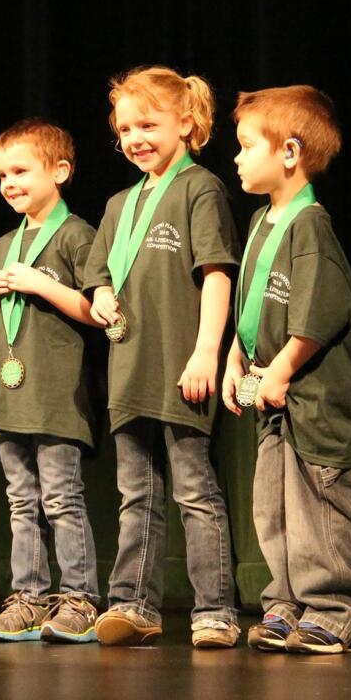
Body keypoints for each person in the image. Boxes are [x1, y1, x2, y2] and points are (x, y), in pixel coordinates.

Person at [84, 65, 242, 648]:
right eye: (125, 128)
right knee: (136, 496)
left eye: (147, 124)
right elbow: (99, 274)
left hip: (182, 368)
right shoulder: (118, 204)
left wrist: (207, 351)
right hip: (129, 373)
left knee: (195, 492)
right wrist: (100, 294)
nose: (134, 138)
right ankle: (134, 604)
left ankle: (215, 610)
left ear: (186, 122)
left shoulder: (199, 188)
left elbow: (218, 272)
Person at [222, 86, 351, 654]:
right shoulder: (266, 221)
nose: (236, 158)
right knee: (276, 504)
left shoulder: (310, 225)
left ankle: (336, 610)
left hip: (314, 398)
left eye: (245, 146)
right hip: (273, 394)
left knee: (319, 502)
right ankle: (286, 602)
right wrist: (238, 356)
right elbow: (255, 301)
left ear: (289, 152)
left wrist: (282, 368)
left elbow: (320, 311)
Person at [0, 119, 102, 643]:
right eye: (3, 173)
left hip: (55, 397)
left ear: (61, 171)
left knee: (61, 498)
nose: (9, 182)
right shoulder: (6, 242)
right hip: (8, 397)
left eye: (21, 170)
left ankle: (79, 599)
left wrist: (39, 285)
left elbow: (97, 311)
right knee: (22, 500)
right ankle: (28, 596)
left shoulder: (77, 235)